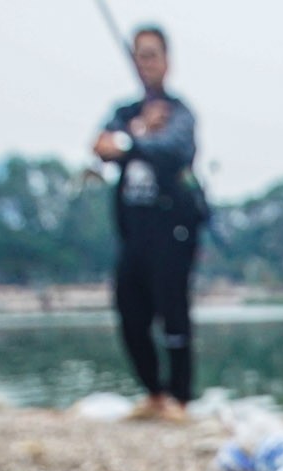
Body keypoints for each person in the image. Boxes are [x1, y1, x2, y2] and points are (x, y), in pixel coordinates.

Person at [94, 26, 206, 422]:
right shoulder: (126, 113)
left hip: (172, 230)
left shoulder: (179, 112)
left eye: (152, 54)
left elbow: (175, 151)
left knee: (174, 314)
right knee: (130, 313)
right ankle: (154, 393)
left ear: (167, 60)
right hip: (133, 231)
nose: (146, 62)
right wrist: (139, 132)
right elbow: (101, 146)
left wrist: (130, 143)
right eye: (139, 55)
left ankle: (180, 398)